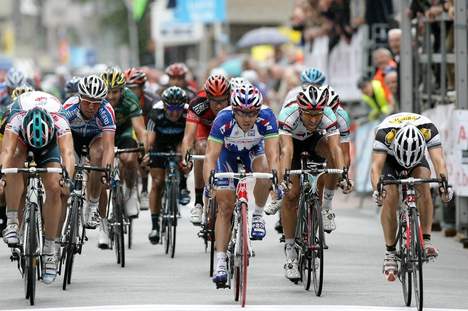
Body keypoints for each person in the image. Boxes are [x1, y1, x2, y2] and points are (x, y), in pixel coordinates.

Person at [203, 84, 282, 285]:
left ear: (258, 111)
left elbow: (274, 154)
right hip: (227, 153)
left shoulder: (267, 116)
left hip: (254, 151)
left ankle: (257, 216)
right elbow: (211, 156)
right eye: (242, 114)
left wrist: (276, 179)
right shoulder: (222, 119)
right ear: (234, 110)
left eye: (252, 114)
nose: (247, 119)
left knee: (264, 169)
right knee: (225, 207)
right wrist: (209, 183)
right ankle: (220, 260)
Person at [271, 84, 352, 281]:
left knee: (332, 158)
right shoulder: (288, 114)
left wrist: (343, 175)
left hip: (314, 142)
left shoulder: (329, 116)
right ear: (300, 110)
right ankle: (290, 252)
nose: (314, 119)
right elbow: (286, 151)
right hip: (291, 145)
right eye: (309, 115)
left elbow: (336, 149)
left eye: (317, 115)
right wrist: (284, 179)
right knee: (292, 195)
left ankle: (324, 207)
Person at [1, 91, 75, 284]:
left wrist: (67, 178)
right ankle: (12, 222)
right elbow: (6, 151)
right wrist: (2, 175)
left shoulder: (60, 121)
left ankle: (50, 251)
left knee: (54, 187)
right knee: (14, 161)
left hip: (50, 144)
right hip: (21, 142)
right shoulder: (16, 118)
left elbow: (68, 153)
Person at [370, 112, 452, 282]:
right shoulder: (385, 133)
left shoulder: (428, 130)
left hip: (416, 158)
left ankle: (427, 239)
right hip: (390, 160)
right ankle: (390, 253)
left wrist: (444, 186)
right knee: (389, 195)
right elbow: (376, 168)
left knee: (423, 183)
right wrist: (377, 190)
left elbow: (439, 162)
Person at [63, 75, 116, 248]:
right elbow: (61, 143)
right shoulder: (68, 109)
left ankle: (92, 207)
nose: (92, 106)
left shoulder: (106, 111)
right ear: (79, 98)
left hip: (95, 139)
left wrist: (106, 170)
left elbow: (109, 147)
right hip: (73, 139)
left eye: (96, 102)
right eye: (87, 101)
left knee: (99, 159)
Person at [180, 74, 231, 225]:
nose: (219, 105)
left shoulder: (235, 102)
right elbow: (188, 137)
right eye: (214, 101)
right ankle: (198, 203)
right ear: (207, 97)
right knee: (201, 149)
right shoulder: (197, 104)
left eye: (222, 100)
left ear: (229, 96)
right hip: (205, 129)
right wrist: (185, 158)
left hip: (225, 129)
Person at [101, 67, 147, 219]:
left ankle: (131, 191)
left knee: (129, 158)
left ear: (122, 90)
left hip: (124, 132)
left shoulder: (129, 98)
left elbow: (140, 129)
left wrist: (143, 150)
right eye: (108, 92)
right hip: (103, 133)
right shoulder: (98, 100)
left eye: (115, 92)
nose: (110, 96)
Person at [145, 86, 188, 244]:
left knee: (185, 157)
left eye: (178, 109)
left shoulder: (187, 112)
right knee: (157, 183)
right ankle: (155, 225)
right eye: (171, 109)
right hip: (159, 143)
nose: (175, 113)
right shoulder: (156, 112)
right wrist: (147, 153)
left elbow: (190, 138)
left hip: (179, 142)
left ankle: (182, 186)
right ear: (164, 106)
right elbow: (149, 140)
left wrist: (186, 159)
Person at [125, 68, 160, 210]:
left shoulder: (153, 101)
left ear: (142, 87)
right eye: (127, 88)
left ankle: (145, 190)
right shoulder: (123, 100)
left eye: (133, 88)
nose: (130, 92)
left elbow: (155, 127)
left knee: (144, 151)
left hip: (149, 129)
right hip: (130, 129)